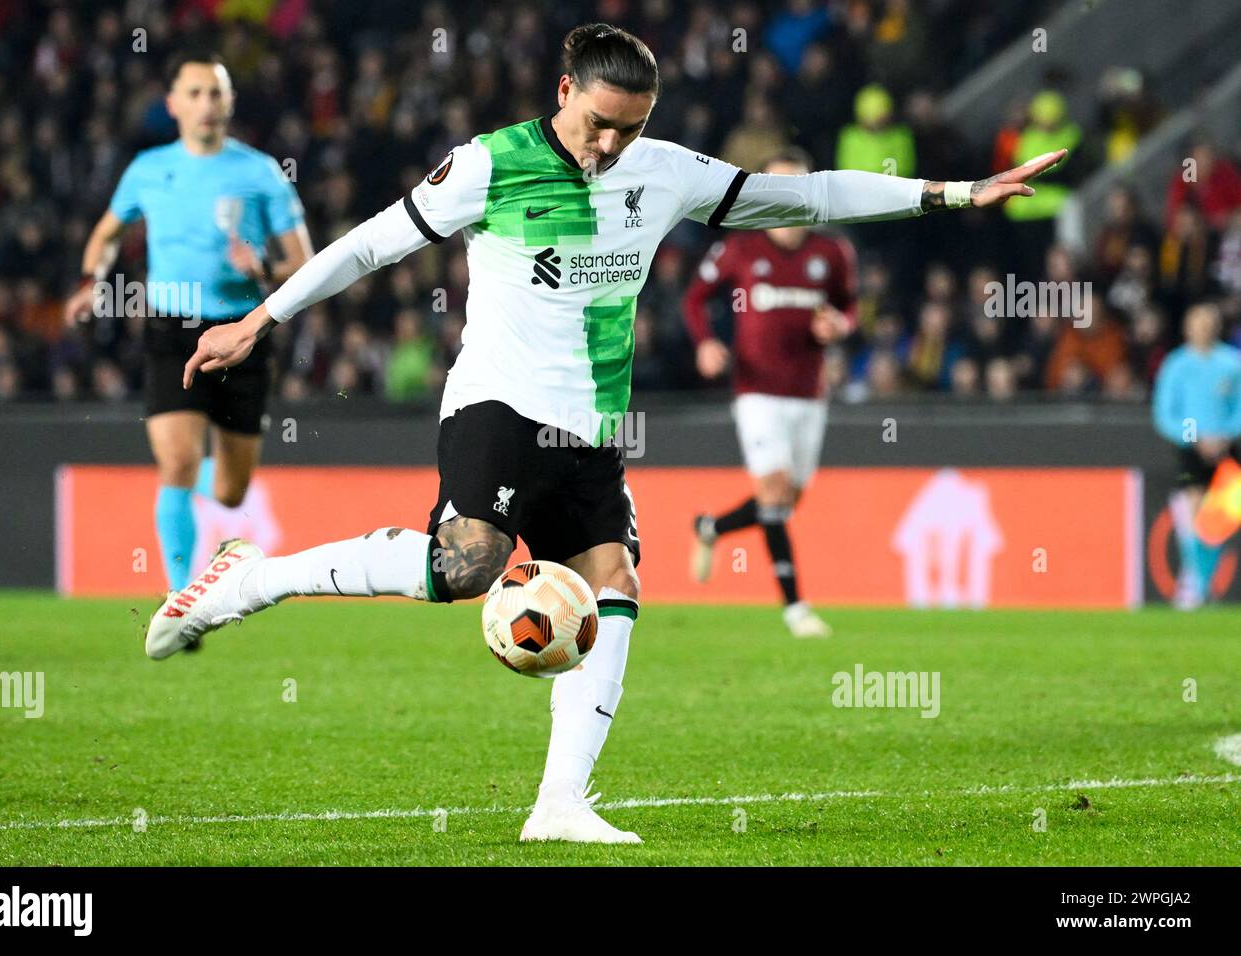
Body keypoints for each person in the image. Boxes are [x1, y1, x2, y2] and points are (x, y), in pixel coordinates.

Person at [143, 23, 1064, 844]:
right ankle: (249, 580)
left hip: (591, 426)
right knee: (462, 565)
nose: (612, 143)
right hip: (497, 401)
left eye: (631, 125)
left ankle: (559, 805)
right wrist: (260, 319)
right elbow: (370, 244)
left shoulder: (663, 172)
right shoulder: (490, 164)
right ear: (564, 93)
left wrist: (956, 193)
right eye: (598, 123)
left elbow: (812, 196)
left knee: (615, 583)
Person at [62, 52, 313, 590]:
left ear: (229, 103)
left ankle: (199, 490)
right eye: (194, 93)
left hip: (243, 332)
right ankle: (180, 597)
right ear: (172, 104)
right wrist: (91, 282)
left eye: (216, 93)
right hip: (170, 328)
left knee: (230, 491)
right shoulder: (148, 170)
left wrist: (264, 265)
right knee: (177, 460)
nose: (206, 104)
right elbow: (106, 234)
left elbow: (305, 262)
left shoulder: (260, 172)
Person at [684, 148, 854, 638]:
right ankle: (796, 608)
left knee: (787, 500)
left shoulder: (831, 253)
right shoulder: (742, 248)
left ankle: (711, 528)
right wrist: (706, 343)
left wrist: (839, 323)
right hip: (756, 390)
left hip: (808, 392)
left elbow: (849, 307)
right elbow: (696, 297)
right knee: (775, 494)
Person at [1151, 302, 1241, 609]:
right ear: (1187, 327)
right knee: (1193, 509)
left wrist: (1225, 434)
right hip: (1191, 449)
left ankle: (1200, 582)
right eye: (1197, 322)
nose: (1203, 328)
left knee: (1221, 517)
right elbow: (1166, 413)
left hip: (1228, 449)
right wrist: (1195, 437)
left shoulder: (1231, 362)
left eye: (1208, 322)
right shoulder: (1176, 365)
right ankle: (1199, 583)